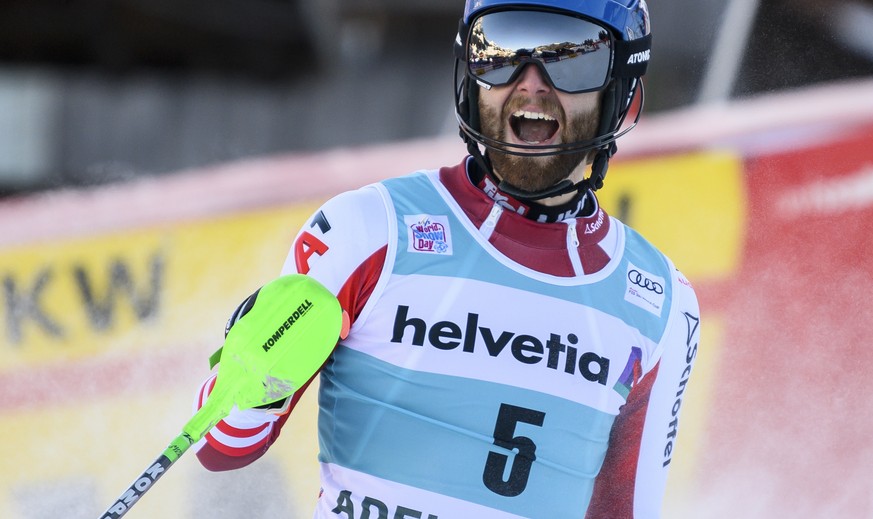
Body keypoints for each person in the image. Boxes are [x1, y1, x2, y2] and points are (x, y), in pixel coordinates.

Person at [193, 0, 701, 517]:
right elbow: (221, 446)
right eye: (498, 52)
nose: (531, 83)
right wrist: (255, 369)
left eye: (572, 61)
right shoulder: (368, 231)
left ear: (624, 94)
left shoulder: (661, 302)